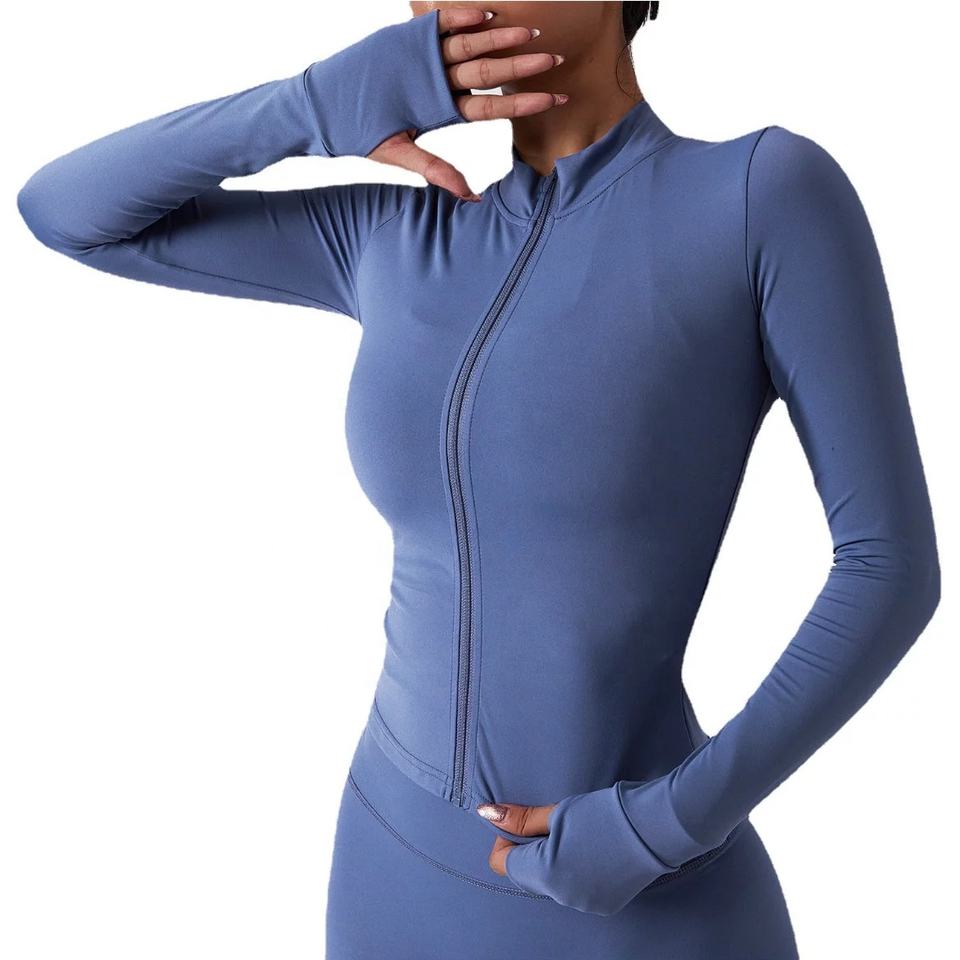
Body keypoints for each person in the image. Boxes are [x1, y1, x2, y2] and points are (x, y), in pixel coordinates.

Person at [16, 3, 941, 957]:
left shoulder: (758, 197)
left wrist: (664, 826)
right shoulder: (395, 235)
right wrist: (312, 105)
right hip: (392, 866)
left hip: (640, 895)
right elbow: (67, 212)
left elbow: (890, 568)